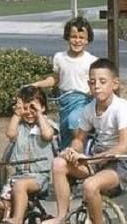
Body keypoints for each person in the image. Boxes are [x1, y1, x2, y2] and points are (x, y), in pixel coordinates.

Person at [38, 58, 127, 224]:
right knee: (59, 163)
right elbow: (79, 139)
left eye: (102, 81)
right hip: (96, 161)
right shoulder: (89, 108)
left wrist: (91, 159)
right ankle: (61, 216)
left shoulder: (122, 107)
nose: (96, 86)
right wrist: (73, 151)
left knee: (90, 186)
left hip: (120, 163)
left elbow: (123, 145)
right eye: (92, 82)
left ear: (114, 84)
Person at [31, 17, 97, 149]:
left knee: (74, 120)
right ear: (67, 37)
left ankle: (80, 151)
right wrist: (37, 84)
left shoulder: (91, 61)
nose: (77, 40)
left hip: (83, 101)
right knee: (65, 133)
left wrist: (93, 92)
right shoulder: (60, 58)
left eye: (81, 37)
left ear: (87, 40)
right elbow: (55, 79)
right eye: (73, 36)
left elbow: (95, 83)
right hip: (64, 100)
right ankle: (67, 159)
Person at [0, 85, 56, 224]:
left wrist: (40, 116)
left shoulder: (47, 124)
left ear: (42, 108)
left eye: (33, 108)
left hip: (39, 177)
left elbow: (47, 135)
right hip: (18, 175)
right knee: (4, 201)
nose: (29, 112)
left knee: (20, 186)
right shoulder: (20, 126)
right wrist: (17, 115)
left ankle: (17, 221)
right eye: (26, 108)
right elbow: (11, 134)